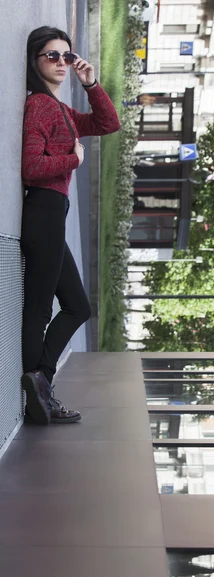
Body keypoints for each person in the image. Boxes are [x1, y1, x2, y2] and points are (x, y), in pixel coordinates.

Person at [21, 26, 120, 425]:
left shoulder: (62, 110)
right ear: (35, 61)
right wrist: (74, 160)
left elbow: (108, 123)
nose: (61, 63)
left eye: (66, 55)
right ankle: (37, 398)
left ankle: (40, 381)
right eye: (52, 56)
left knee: (78, 306)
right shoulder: (41, 106)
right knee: (40, 309)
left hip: (52, 213)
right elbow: (32, 168)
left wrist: (91, 83)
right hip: (44, 208)